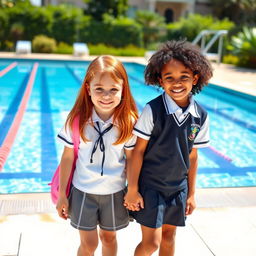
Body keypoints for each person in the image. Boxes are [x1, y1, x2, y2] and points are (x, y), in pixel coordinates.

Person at [124, 40, 213, 256]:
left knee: (169, 238)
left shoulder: (200, 116)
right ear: (160, 81)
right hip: (151, 187)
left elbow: (193, 157)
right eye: (169, 78)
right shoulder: (152, 110)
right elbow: (138, 152)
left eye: (184, 76)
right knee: (151, 243)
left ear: (195, 77)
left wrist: (191, 194)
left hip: (177, 189)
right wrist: (133, 189)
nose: (177, 83)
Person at [56, 55, 138, 256]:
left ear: (123, 90)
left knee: (109, 238)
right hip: (83, 191)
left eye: (113, 90)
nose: (106, 96)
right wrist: (62, 196)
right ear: (88, 89)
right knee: (89, 243)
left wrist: (133, 190)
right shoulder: (77, 120)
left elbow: (133, 159)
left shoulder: (129, 122)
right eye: (99, 89)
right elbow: (67, 158)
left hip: (115, 192)